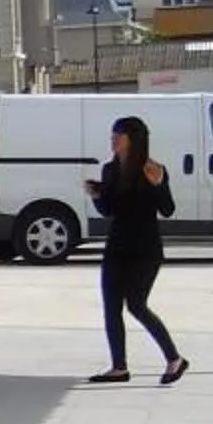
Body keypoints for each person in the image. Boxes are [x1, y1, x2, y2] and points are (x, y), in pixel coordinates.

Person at [85, 114, 190, 387]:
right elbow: (109, 210)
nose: (113, 140)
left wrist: (159, 185)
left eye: (118, 136)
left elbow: (167, 209)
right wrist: (97, 196)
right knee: (111, 307)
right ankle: (118, 367)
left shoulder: (152, 169)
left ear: (133, 139)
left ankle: (174, 359)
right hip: (117, 245)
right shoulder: (110, 170)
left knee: (137, 305)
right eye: (112, 136)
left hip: (145, 248)